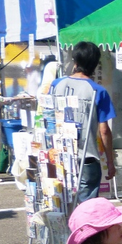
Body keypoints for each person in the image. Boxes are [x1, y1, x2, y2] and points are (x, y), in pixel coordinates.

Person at [51, 41, 116, 202]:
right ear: (94, 64)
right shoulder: (98, 91)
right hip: (86, 157)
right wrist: (110, 161)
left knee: (61, 203)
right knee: (87, 207)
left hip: (58, 155)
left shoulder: (56, 85)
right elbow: (104, 130)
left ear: (76, 62)